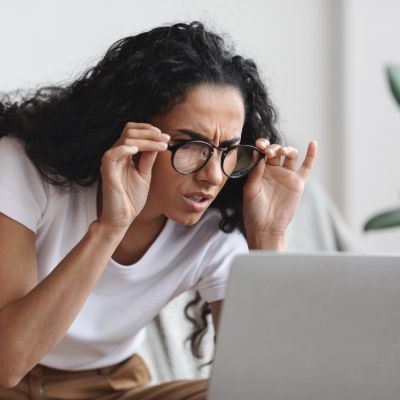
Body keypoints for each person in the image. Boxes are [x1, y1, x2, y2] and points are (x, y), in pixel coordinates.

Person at [0, 21, 317, 399]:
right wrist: (109, 227)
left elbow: (268, 383)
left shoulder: (217, 223)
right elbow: (8, 363)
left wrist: (269, 239)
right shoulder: (25, 168)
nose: (213, 176)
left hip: (111, 387)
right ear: (130, 133)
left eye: (229, 150)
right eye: (190, 145)